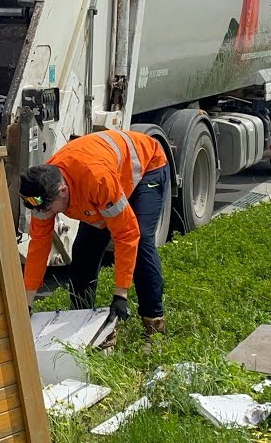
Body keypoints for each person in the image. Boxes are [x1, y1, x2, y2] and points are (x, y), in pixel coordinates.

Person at [20, 129, 170, 339]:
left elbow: (126, 234)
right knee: (83, 252)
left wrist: (121, 294)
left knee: (142, 241)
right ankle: (81, 321)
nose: (43, 214)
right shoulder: (42, 193)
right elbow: (38, 247)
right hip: (100, 187)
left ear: (62, 191)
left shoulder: (96, 180)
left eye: (48, 209)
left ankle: (154, 325)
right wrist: (26, 304)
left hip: (146, 170)